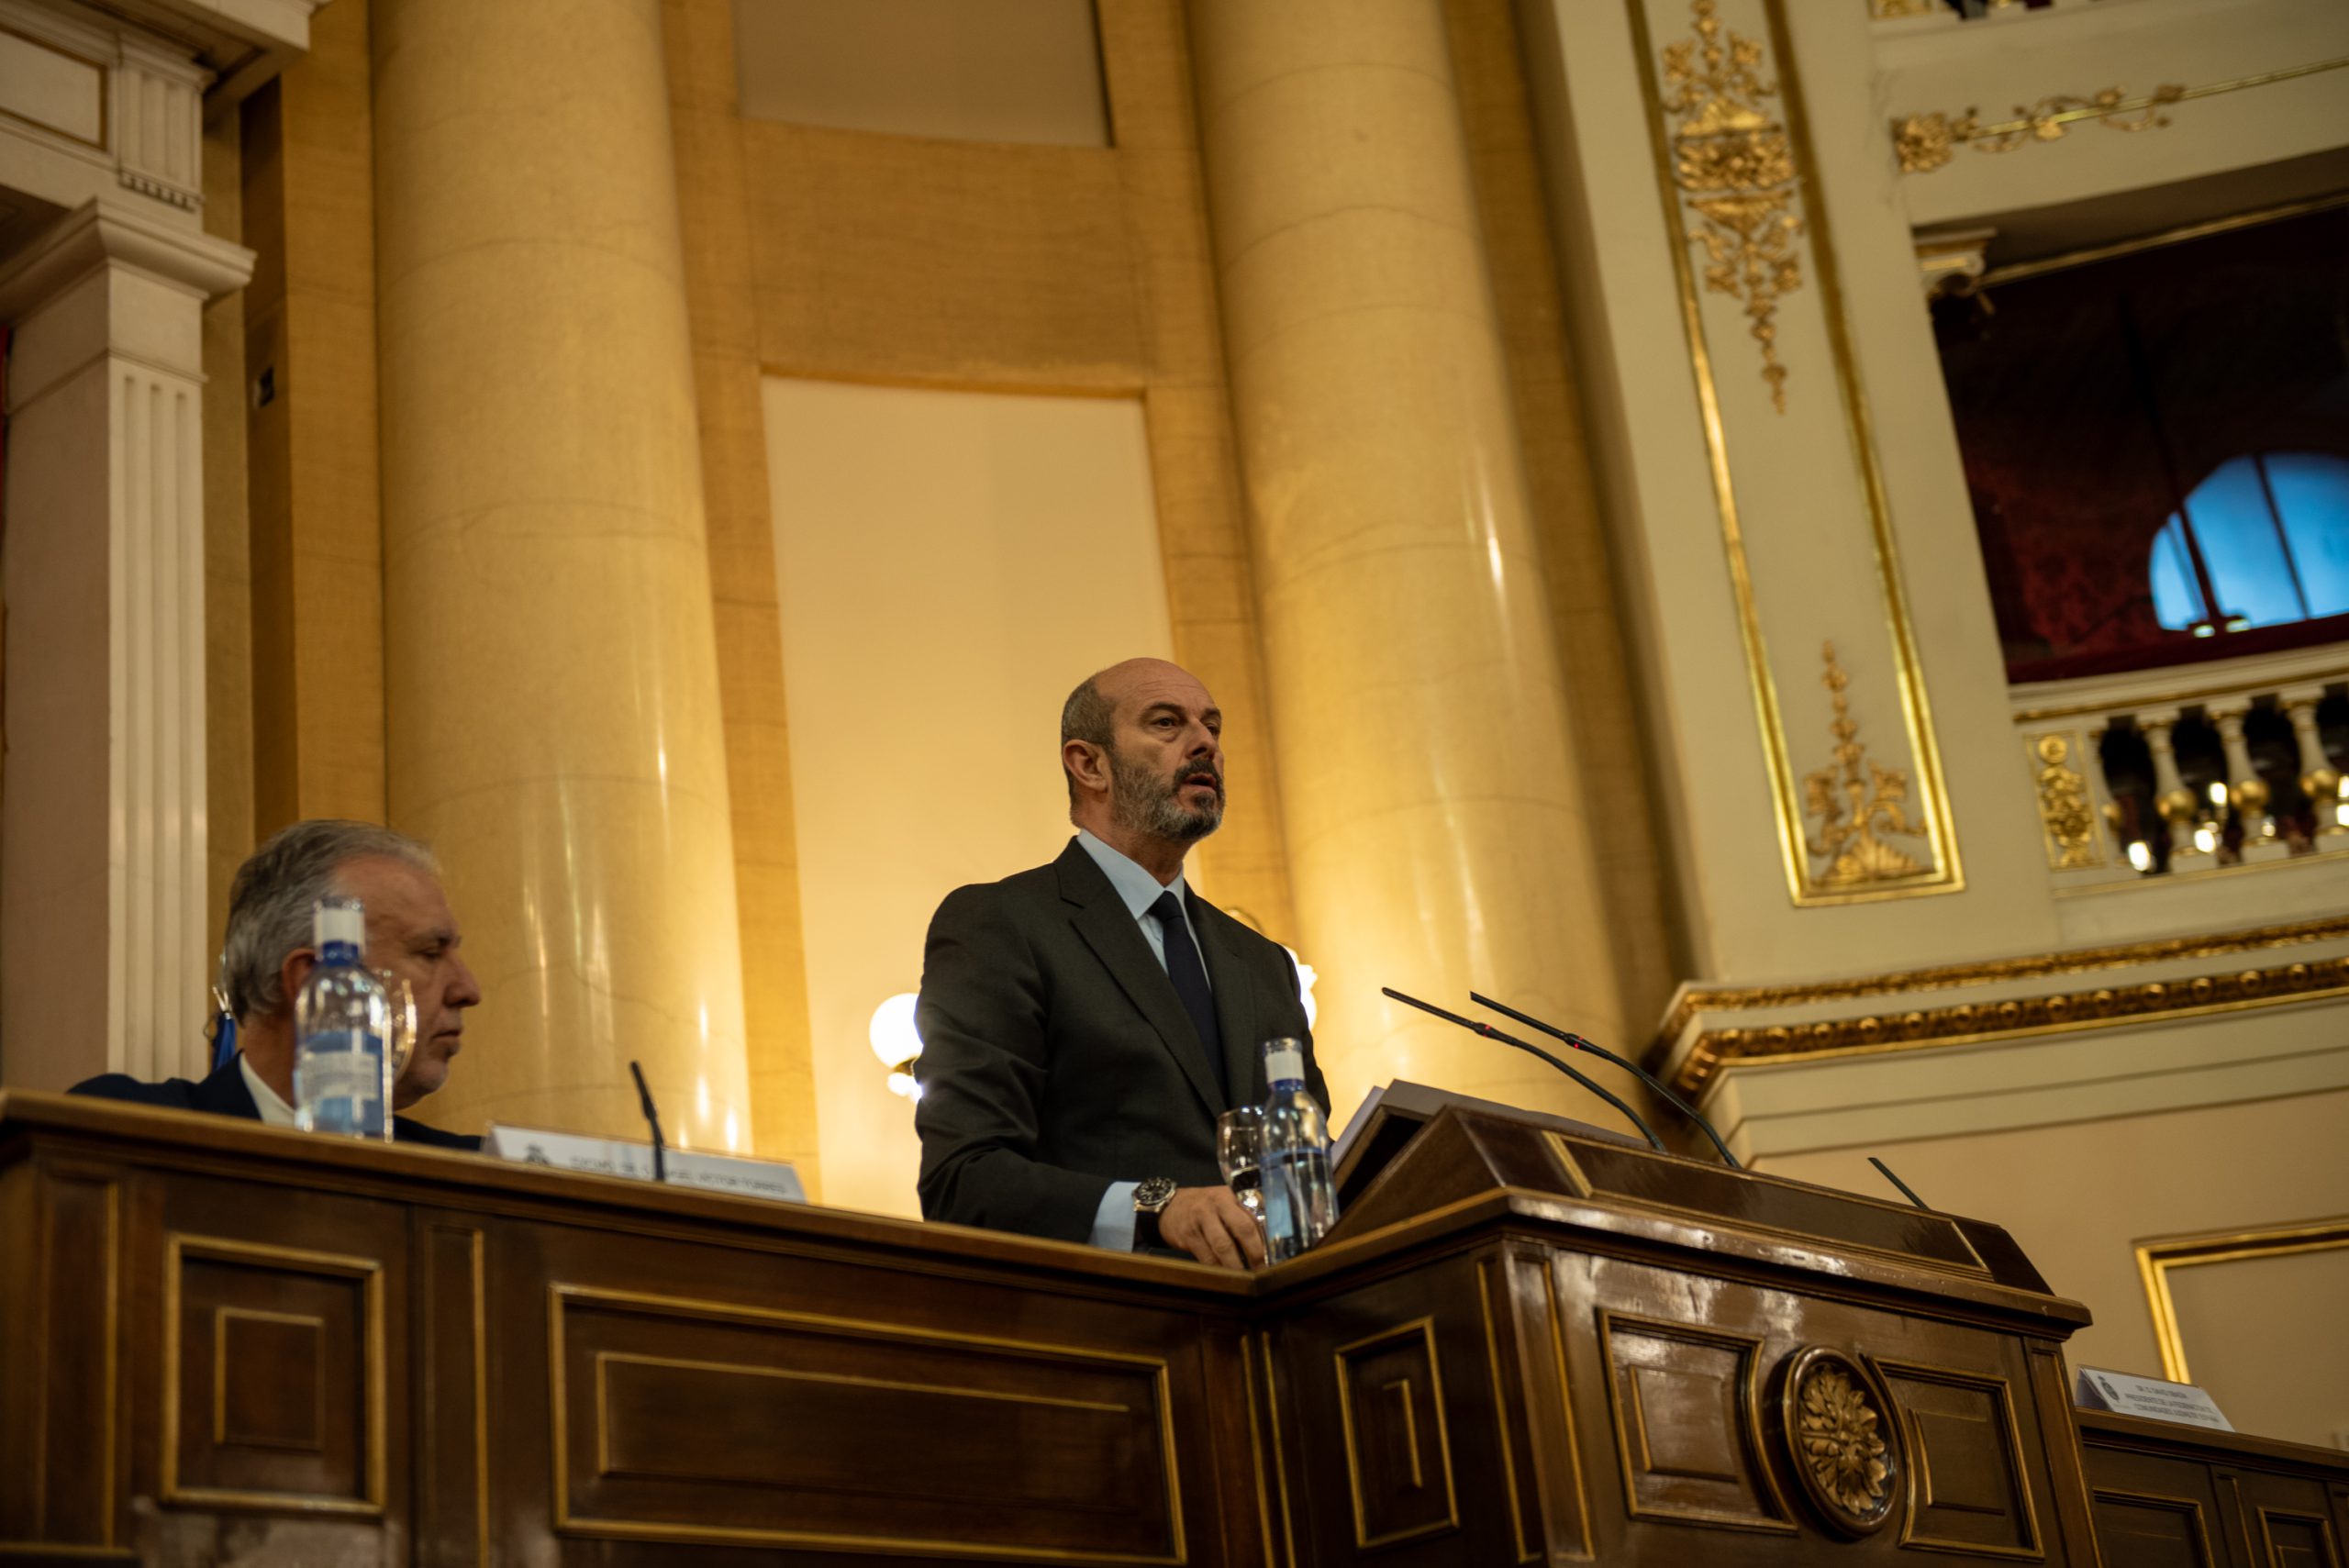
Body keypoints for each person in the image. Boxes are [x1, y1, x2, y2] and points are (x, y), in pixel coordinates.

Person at [915, 657, 1330, 1268]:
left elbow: (1310, 1171)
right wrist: (1156, 1208)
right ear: (1090, 764)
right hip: (1111, 1312)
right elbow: (964, 1180)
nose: (1206, 744)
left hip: (1282, 1308)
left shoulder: (1262, 962)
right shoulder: (1002, 924)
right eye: (1167, 723)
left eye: (1213, 726)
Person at [72, 819, 484, 1150]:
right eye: (430, 953)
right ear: (313, 981)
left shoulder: (472, 1178)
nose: (468, 990)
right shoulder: (125, 1131)